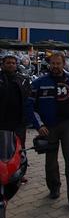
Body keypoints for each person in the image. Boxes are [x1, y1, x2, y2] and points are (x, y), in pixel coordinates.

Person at [27, 52, 69, 207]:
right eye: (53, 63)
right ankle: (54, 188)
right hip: (49, 127)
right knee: (51, 162)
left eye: (58, 63)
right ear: (49, 64)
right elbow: (30, 107)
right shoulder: (38, 83)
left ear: (64, 63)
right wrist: (39, 125)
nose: (55, 66)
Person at [0, 54, 31, 183]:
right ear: (3, 65)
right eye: (8, 63)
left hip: (19, 121)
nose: (11, 65)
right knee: (3, 148)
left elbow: (28, 98)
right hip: (2, 121)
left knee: (19, 147)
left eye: (13, 63)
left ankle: (20, 171)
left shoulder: (22, 79)